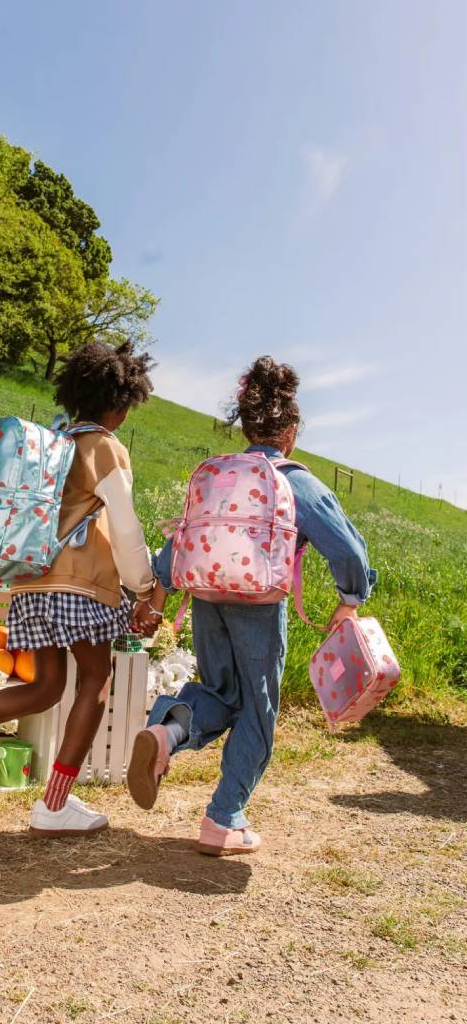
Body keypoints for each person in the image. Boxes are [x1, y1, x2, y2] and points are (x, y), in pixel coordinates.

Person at [126, 355, 376, 856]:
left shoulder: (218, 476)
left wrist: (159, 595)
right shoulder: (295, 480)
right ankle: (224, 817)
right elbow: (347, 548)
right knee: (259, 709)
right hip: (258, 603)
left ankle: (166, 733)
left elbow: (178, 545)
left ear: (244, 425)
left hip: (206, 597)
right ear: (291, 430)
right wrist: (351, 599)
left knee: (218, 691)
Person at [0, 340, 156, 836]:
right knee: (96, 684)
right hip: (80, 587)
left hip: (30, 583)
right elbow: (125, 529)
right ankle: (55, 805)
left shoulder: (55, 443)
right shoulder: (104, 446)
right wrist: (144, 585)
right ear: (120, 402)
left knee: (45, 687)